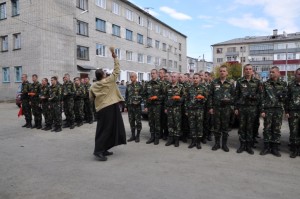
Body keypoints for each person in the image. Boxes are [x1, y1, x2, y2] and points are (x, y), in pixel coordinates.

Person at [89, 47, 126, 161]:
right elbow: (117, 70)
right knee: (105, 130)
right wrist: (115, 58)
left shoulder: (93, 85)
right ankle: (98, 151)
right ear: (103, 75)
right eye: (105, 72)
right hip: (109, 108)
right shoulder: (109, 80)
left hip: (101, 109)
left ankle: (104, 148)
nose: (106, 73)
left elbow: (91, 98)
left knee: (107, 129)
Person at [234, 64, 262, 154]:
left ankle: (249, 146)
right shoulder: (239, 81)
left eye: (250, 69)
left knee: (250, 127)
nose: (248, 71)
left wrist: (253, 96)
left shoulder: (257, 82)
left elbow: (260, 95)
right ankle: (242, 145)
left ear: (252, 70)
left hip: (252, 108)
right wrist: (236, 108)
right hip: (242, 108)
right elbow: (236, 95)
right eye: (246, 69)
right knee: (242, 127)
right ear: (244, 70)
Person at [260, 66, 287, 157]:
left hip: (278, 109)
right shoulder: (265, 84)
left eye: (273, 72)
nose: (271, 73)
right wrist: (262, 110)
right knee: (267, 129)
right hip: (268, 109)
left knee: (276, 129)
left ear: (278, 73)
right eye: (270, 72)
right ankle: (267, 147)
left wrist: (283, 97)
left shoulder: (283, 84)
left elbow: (286, 97)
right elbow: (262, 97)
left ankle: (275, 148)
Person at [208, 65, 235, 152]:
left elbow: (234, 96)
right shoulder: (214, 82)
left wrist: (230, 102)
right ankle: (216, 144)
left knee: (225, 127)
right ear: (219, 72)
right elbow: (210, 95)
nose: (222, 72)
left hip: (226, 109)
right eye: (221, 71)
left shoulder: (230, 83)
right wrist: (211, 107)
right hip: (216, 108)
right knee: (216, 127)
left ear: (227, 73)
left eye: (224, 71)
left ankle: (224, 144)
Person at [185, 73, 208, 149]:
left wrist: (202, 99)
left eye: (196, 78)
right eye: (194, 78)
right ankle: (193, 141)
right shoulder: (189, 88)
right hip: (191, 110)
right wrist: (186, 110)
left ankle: (198, 142)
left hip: (199, 110)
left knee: (199, 126)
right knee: (192, 126)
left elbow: (206, 98)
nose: (195, 79)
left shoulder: (203, 88)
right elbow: (186, 99)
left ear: (199, 79)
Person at [143, 69, 164, 145]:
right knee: (151, 122)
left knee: (157, 122)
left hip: (157, 106)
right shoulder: (148, 84)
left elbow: (164, 95)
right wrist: (145, 106)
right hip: (150, 105)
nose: (152, 75)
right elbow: (144, 95)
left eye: (154, 73)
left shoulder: (161, 83)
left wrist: (157, 97)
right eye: (151, 73)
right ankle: (152, 136)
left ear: (157, 74)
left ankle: (157, 137)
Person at [164, 72, 185, 147]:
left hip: (177, 108)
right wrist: (165, 107)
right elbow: (165, 98)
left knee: (177, 124)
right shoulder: (167, 87)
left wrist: (179, 98)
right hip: (169, 108)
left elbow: (184, 97)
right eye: (172, 77)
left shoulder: (181, 87)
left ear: (177, 78)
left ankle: (176, 140)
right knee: (170, 124)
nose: (173, 78)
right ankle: (170, 139)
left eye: (174, 77)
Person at [125, 72, 143, 143]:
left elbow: (142, 96)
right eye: (130, 77)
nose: (131, 78)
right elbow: (126, 96)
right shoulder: (128, 86)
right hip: (130, 106)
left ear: (136, 77)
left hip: (137, 107)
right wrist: (126, 106)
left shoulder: (140, 86)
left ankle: (137, 136)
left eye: (132, 76)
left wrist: (138, 101)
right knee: (131, 121)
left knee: (138, 121)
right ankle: (133, 135)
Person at [286, 68, 300, 158]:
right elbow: (287, 99)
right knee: (294, 132)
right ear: (295, 75)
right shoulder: (291, 85)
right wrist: (287, 111)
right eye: (298, 74)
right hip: (293, 112)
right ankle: (295, 150)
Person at [159, 68, 170, 140]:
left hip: (165, 104)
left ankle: (166, 133)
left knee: (165, 120)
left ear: (164, 74)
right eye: (159, 72)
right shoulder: (157, 82)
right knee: (159, 120)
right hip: (158, 104)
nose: (160, 74)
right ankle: (160, 133)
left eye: (161, 73)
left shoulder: (168, 84)